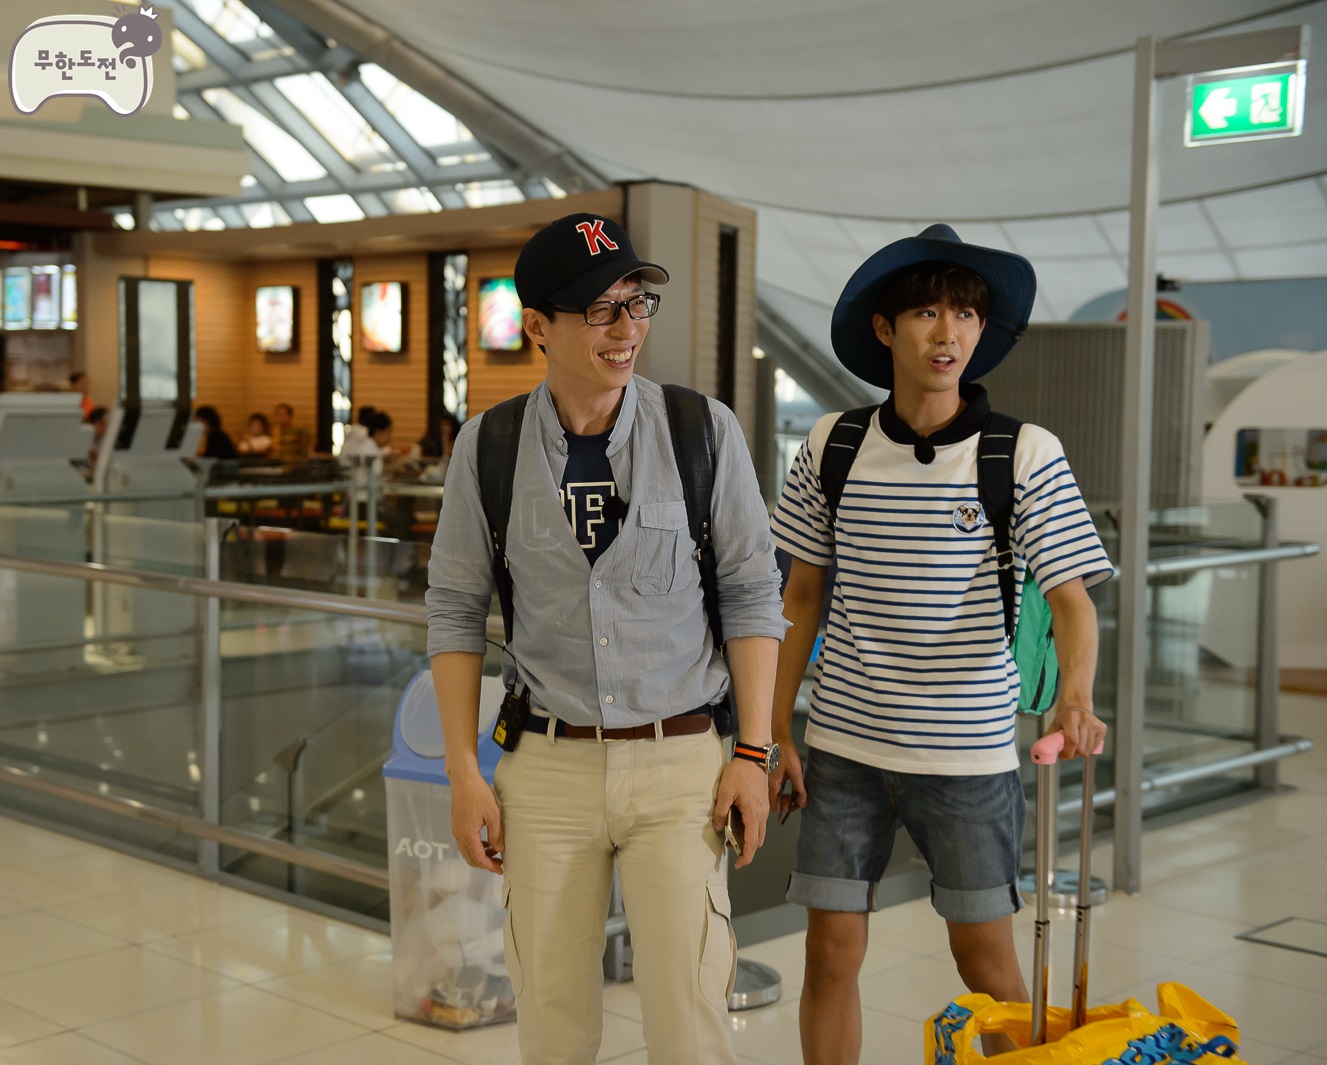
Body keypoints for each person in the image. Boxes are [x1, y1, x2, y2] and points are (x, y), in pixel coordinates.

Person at [426, 213, 787, 1065]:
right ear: (537, 326)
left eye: (636, 302)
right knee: (552, 1020)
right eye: (599, 309)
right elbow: (453, 608)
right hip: (546, 769)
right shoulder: (489, 447)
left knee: (689, 1019)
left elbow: (751, 594)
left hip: (680, 765)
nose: (626, 328)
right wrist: (463, 771)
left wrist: (753, 753)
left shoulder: (701, 432)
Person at [768, 225, 1114, 1063]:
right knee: (829, 953)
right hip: (843, 747)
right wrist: (772, 727)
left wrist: (1074, 695)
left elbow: (1070, 599)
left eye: (964, 314)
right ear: (884, 329)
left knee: (985, 961)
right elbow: (798, 597)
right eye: (926, 312)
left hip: (967, 755)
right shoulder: (832, 445)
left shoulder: (1022, 452)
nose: (947, 332)